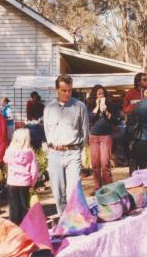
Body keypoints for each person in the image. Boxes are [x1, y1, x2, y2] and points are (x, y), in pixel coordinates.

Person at [43, 74, 89, 215]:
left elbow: (85, 131)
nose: (67, 93)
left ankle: (76, 221)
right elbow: (47, 130)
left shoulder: (80, 107)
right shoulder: (49, 109)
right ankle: (64, 222)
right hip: (54, 154)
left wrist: (79, 151)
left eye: (69, 90)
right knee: (58, 193)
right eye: (64, 90)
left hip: (73, 153)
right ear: (56, 89)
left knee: (74, 190)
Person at [3, 128, 38, 225]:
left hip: (12, 182)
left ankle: (14, 225)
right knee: (24, 205)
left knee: (13, 206)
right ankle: (25, 225)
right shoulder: (30, 153)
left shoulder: (9, 151)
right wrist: (33, 182)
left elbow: (5, 160)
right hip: (25, 182)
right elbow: (34, 170)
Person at [86, 84, 117, 191]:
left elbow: (114, 119)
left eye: (102, 93)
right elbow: (89, 118)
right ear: (95, 95)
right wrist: (97, 107)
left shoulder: (109, 104)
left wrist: (106, 110)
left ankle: (108, 187)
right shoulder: (89, 104)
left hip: (106, 136)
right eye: (99, 94)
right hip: (94, 136)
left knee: (105, 163)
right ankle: (97, 187)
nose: (101, 95)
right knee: (95, 164)